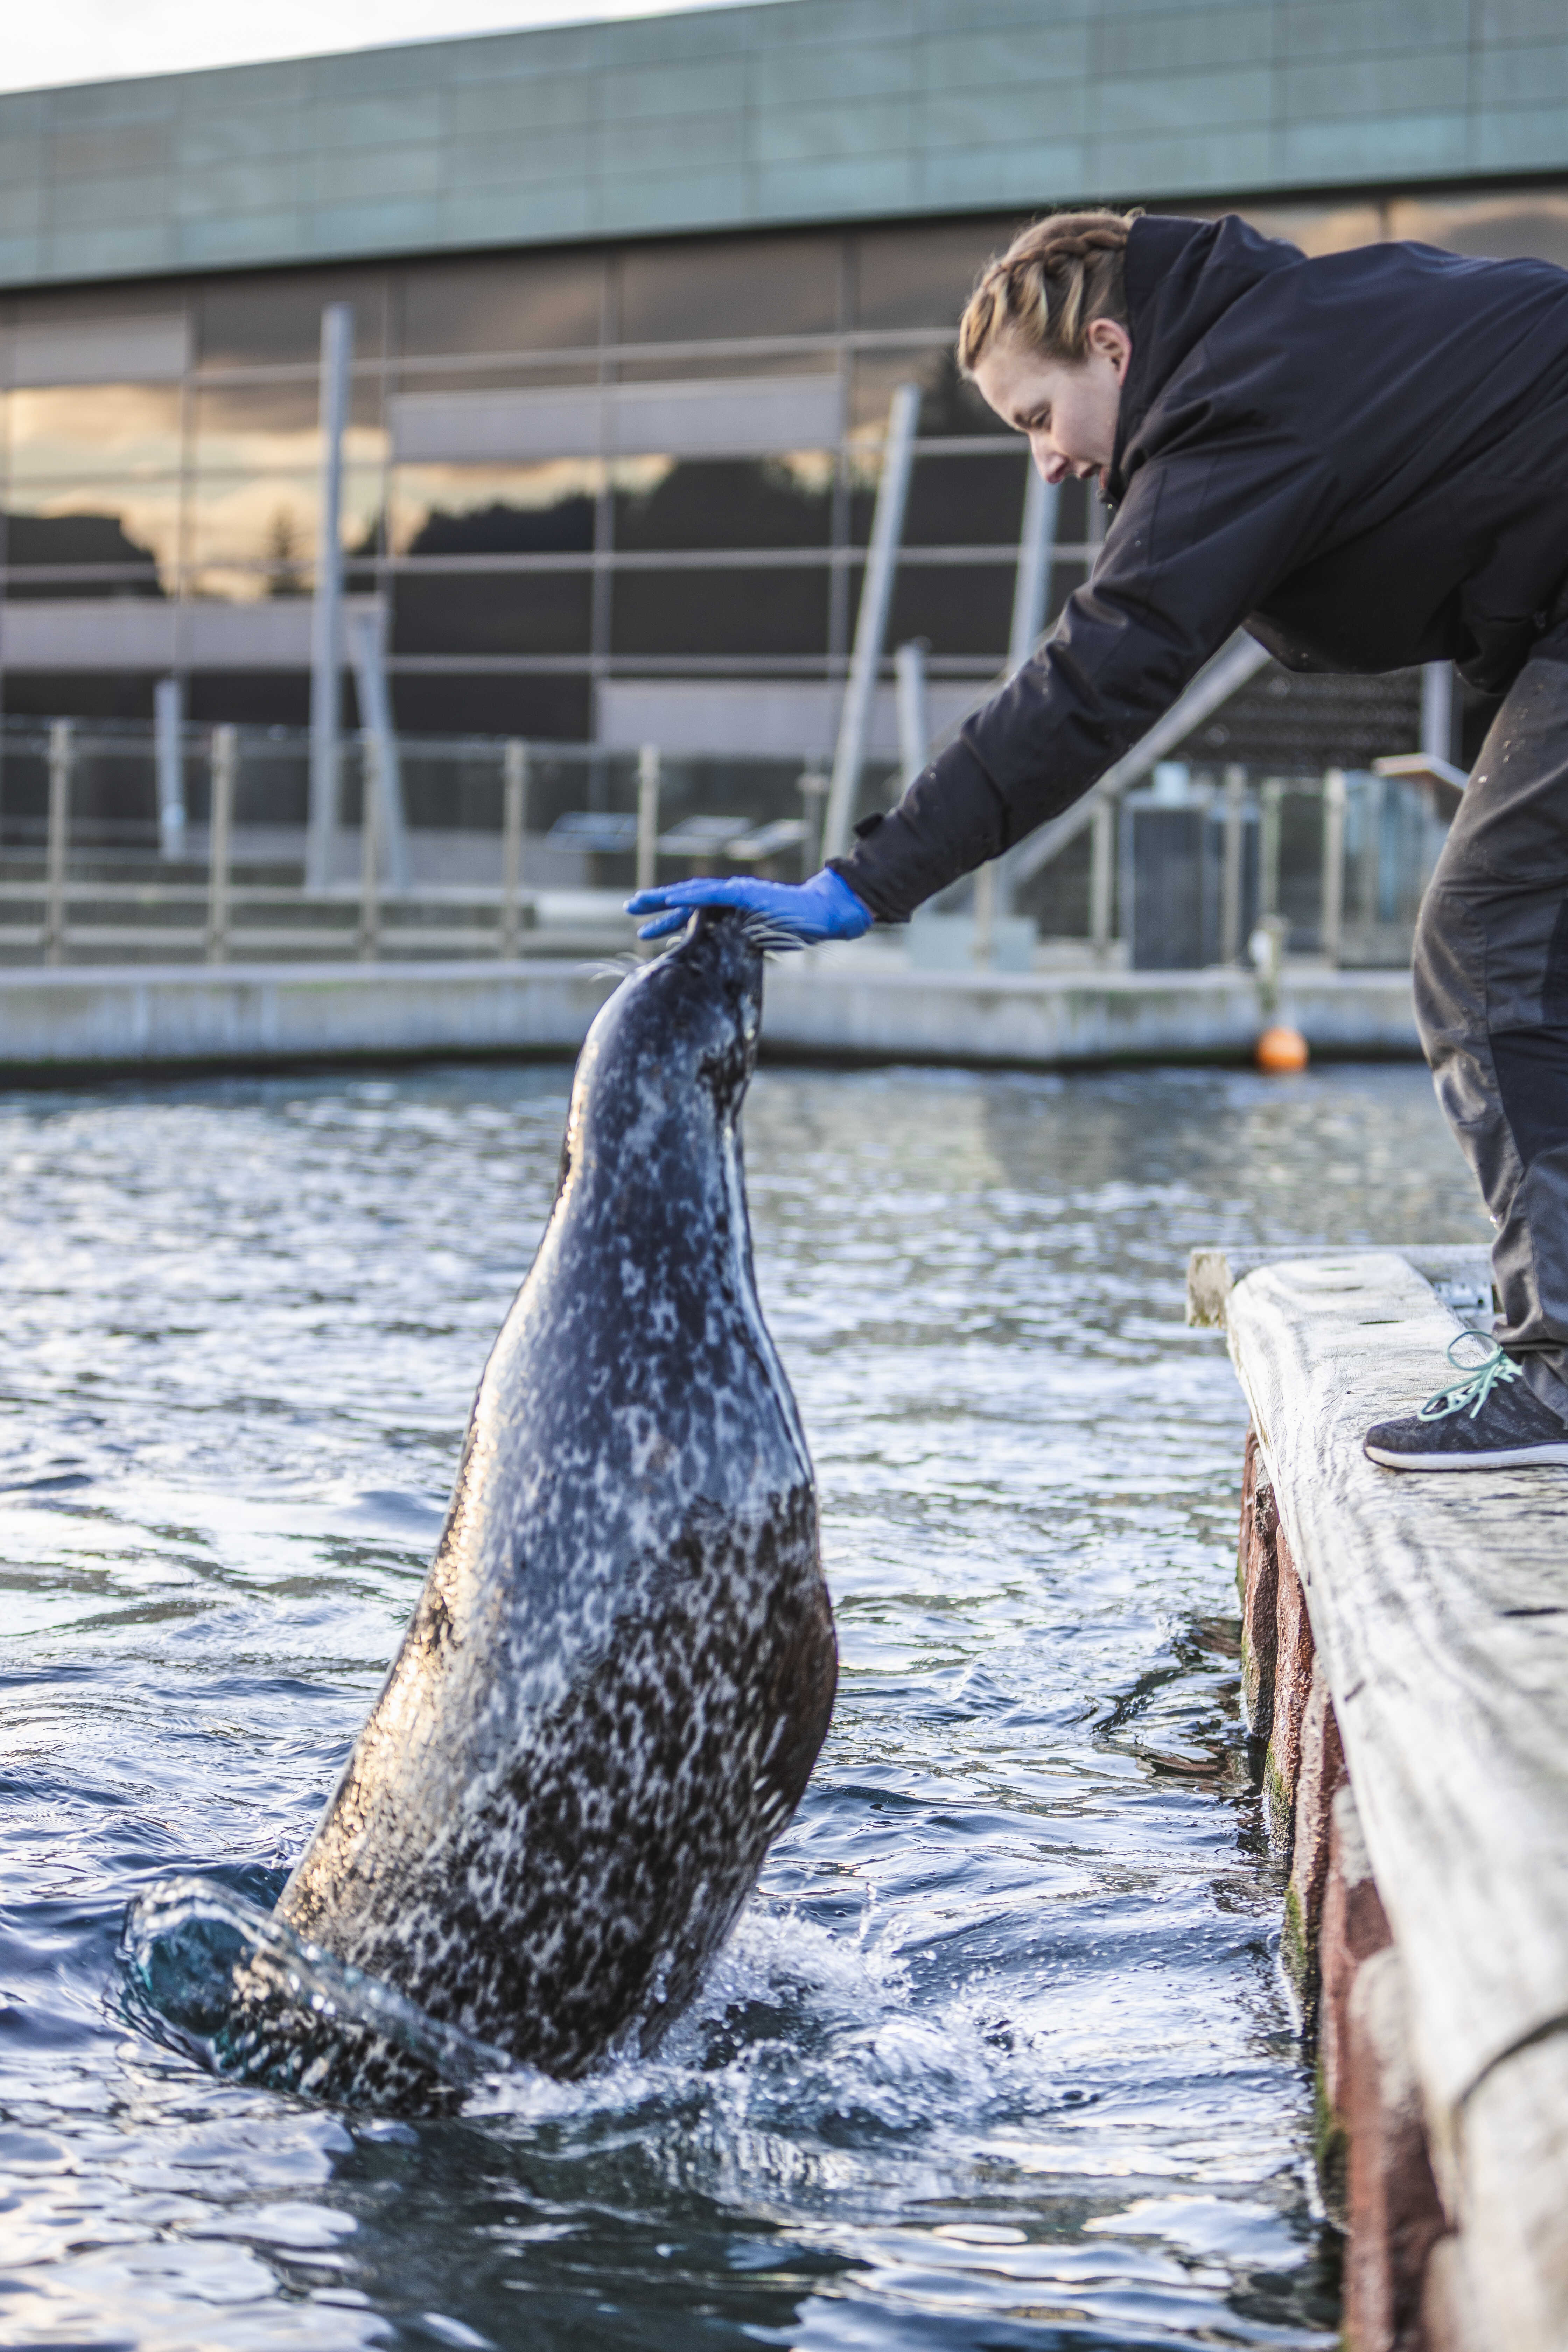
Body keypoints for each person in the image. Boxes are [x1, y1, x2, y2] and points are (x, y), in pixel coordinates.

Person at [628, 208, 1568, 1474]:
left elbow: (1094, 683)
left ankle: (1559, 1374)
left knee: (1485, 952)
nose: (1050, 463)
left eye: (1036, 418)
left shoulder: (1239, 401)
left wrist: (867, 879)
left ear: (1114, 350)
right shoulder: (1295, 329)